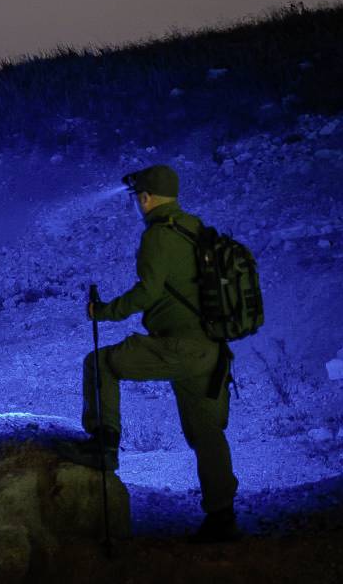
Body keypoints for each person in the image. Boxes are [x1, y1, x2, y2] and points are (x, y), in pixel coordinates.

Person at [67, 164, 240, 544]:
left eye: (136, 198)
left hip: (178, 345)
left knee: (100, 364)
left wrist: (105, 310)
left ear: (145, 198)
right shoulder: (196, 229)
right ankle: (222, 517)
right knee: (208, 434)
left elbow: (148, 291)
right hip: (211, 351)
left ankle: (103, 447)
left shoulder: (159, 237)